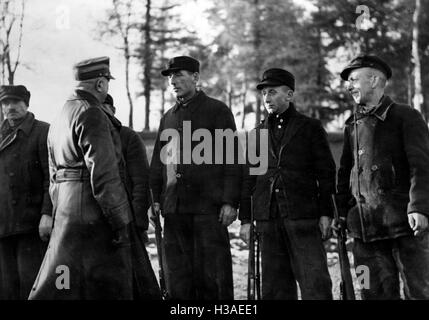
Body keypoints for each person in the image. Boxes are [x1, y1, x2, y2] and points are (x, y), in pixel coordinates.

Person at [29, 57, 159, 300]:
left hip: (67, 215)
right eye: (107, 82)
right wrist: (121, 222)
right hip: (95, 216)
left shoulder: (59, 117)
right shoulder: (92, 113)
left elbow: (54, 176)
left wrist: (60, 214)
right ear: (100, 84)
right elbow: (104, 175)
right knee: (111, 287)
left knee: (67, 285)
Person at [336, 54, 429, 300]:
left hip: (404, 225)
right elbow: (345, 172)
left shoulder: (406, 116)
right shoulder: (351, 125)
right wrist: (343, 212)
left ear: (375, 80)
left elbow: (422, 166)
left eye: (354, 79)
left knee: (418, 290)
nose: (349, 86)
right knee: (370, 291)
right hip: (364, 230)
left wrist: (419, 207)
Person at [149, 55, 242, 300]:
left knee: (212, 279)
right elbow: (158, 163)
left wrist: (230, 202)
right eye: (170, 76)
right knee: (178, 280)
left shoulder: (216, 111)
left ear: (196, 77)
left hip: (207, 211)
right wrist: (155, 200)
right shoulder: (168, 117)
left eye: (179, 75)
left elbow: (232, 158)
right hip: (174, 210)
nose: (173, 81)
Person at [240, 68, 335, 300]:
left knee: (315, 283)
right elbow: (248, 179)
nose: (267, 98)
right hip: (267, 220)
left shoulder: (309, 128)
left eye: (272, 92)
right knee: (274, 288)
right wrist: (245, 219)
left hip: (302, 218)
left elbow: (326, 173)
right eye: (264, 94)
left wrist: (326, 214)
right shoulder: (257, 133)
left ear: (289, 95)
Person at [0, 85, 52, 300]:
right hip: (3, 225)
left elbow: (52, 176)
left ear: (26, 103)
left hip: (32, 226)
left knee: (31, 286)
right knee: (6, 288)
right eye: (5, 103)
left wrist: (47, 214)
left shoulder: (43, 131)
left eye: (15, 102)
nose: (10, 107)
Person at [103, 94, 150, 244]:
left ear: (113, 110)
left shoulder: (128, 137)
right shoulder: (86, 136)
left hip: (127, 218)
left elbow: (141, 182)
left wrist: (137, 223)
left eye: (103, 108)